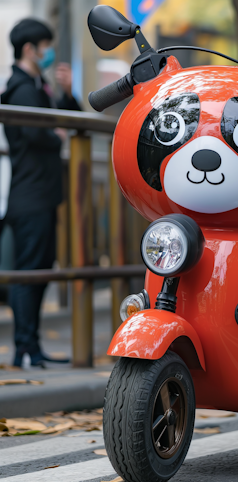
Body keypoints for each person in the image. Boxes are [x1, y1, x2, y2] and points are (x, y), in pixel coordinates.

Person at [1, 18, 81, 367]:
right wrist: (56, 135)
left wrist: (66, 94)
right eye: (46, 46)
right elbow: (38, 134)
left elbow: (71, 122)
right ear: (30, 48)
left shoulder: (37, 85)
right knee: (29, 271)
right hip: (29, 196)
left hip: (39, 195)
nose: (49, 53)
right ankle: (24, 349)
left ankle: (30, 348)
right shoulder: (22, 88)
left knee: (39, 268)